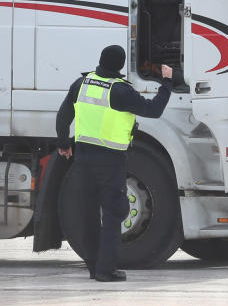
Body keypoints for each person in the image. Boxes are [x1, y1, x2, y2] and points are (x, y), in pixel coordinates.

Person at [55, 44, 173, 282]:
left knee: (87, 214)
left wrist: (64, 142)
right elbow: (154, 110)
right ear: (120, 65)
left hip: (84, 159)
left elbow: (64, 114)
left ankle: (92, 266)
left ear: (100, 60)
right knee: (114, 212)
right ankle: (105, 269)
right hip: (110, 161)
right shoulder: (120, 91)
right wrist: (167, 83)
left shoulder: (82, 84)